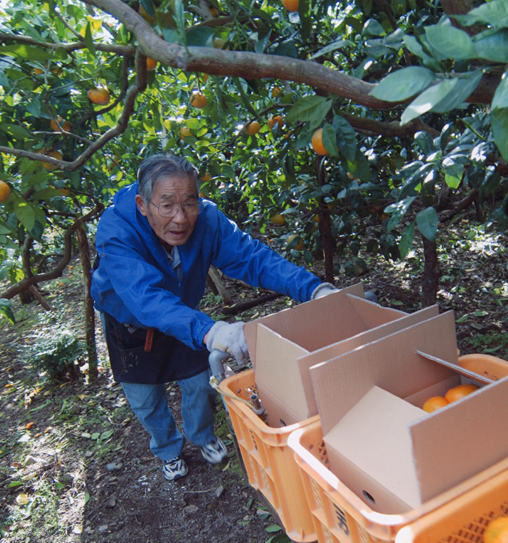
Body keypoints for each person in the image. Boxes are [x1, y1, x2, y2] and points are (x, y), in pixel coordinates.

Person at [91, 154, 336, 481]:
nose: (180, 218)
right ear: (142, 203)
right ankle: (167, 449)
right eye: (167, 205)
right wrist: (211, 331)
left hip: (184, 318)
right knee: (146, 399)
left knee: (199, 384)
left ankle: (202, 435)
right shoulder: (116, 230)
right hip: (132, 326)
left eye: (189, 203)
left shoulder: (206, 220)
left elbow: (253, 259)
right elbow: (144, 298)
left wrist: (314, 290)